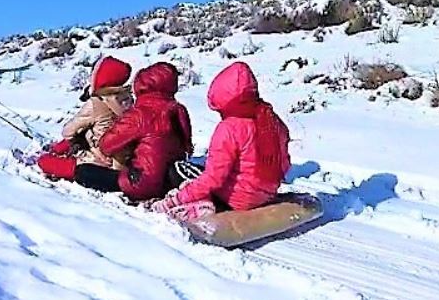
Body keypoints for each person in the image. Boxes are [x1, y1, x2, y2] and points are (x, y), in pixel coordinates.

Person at [150, 62, 291, 222]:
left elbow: (213, 178)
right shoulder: (272, 120)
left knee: (178, 170)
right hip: (266, 194)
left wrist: (178, 199)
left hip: (235, 199)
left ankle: (203, 204)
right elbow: (284, 164)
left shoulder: (230, 128)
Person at [97, 62, 193, 202]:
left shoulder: (140, 114)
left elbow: (106, 145)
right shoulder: (178, 110)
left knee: (85, 172)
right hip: (170, 180)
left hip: (141, 183)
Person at [37, 56, 134, 184]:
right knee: (87, 131)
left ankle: (59, 156)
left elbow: (68, 131)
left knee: (44, 161)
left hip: (100, 159)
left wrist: (75, 140)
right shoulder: (128, 99)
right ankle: (58, 149)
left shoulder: (96, 103)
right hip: (123, 158)